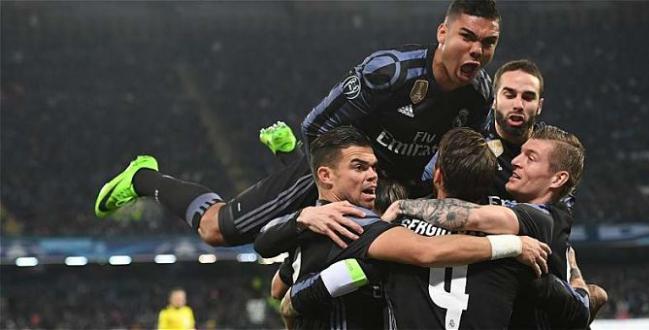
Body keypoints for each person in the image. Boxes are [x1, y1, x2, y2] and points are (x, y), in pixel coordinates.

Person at [93, 0, 501, 248]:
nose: (478, 51)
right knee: (218, 230)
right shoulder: (391, 71)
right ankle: (144, 177)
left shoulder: (480, 94)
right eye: (467, 37)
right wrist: (334, 190)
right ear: (443, 32)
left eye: (488, 43)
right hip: (339, 180)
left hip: (397, 193)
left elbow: (456, 158)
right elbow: (316, 126)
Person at [253, 126, 551, 329]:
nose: (372, 176)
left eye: (373, 167)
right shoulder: (355, 224)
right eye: (360, 167)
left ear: (438, 175)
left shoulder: (317, 224)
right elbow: (426, 251)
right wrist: (514, 245)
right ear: (326, 176)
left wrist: (299, 297)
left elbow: (279, 288)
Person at [383, 125, 607, 328]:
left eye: (530, 158)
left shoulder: (543, 220)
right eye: (520, 153)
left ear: (558, 179)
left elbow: (473, 217)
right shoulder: (516, 242)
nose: (516, 161)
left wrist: (403, 206)